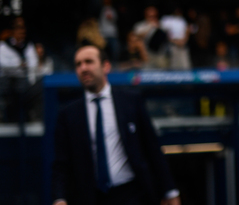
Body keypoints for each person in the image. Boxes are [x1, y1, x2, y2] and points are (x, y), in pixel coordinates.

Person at [51, 45, 180, 205]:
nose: (83, 68)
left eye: (89, 62)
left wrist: (170, 191)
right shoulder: (68, 114)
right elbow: (61, 164)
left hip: (132, 194)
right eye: (78, 64)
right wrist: (59, 198)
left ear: (106, 66)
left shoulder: (130, 101)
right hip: (90, 197)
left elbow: (152, 148)